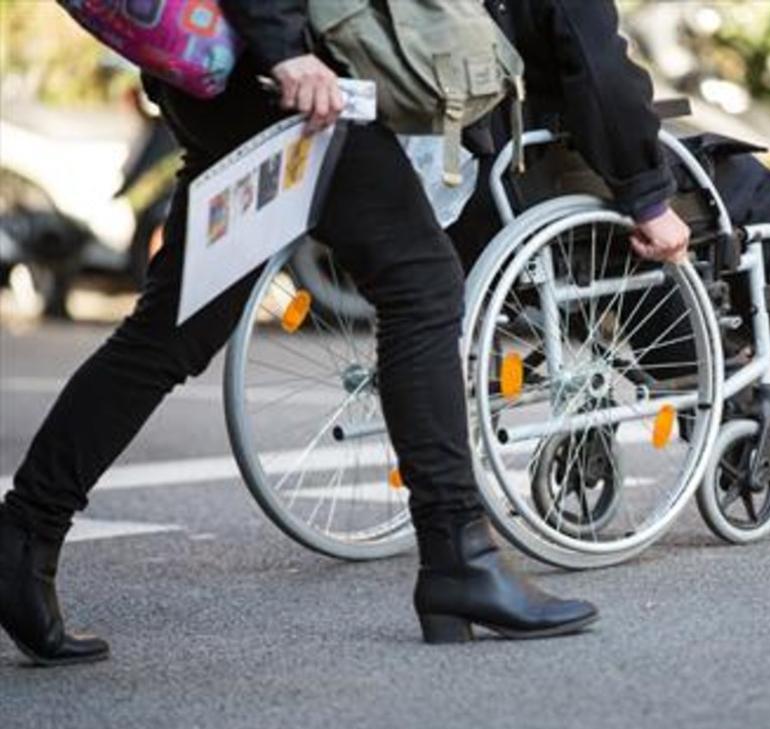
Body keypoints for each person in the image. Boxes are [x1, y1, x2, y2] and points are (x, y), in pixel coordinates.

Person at [0, 0, 712, 666]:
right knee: (421, 284)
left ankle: (23, 536)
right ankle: (459, 559)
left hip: (228, 79)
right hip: (290, 77)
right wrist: (284, 48)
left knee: (172, 331)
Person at [450, 0, 770, 450]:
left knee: (630, 209)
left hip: (445, 199)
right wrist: (648, 200)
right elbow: (603, 82)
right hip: (520, 188)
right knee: (735, 183)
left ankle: (706, 371)